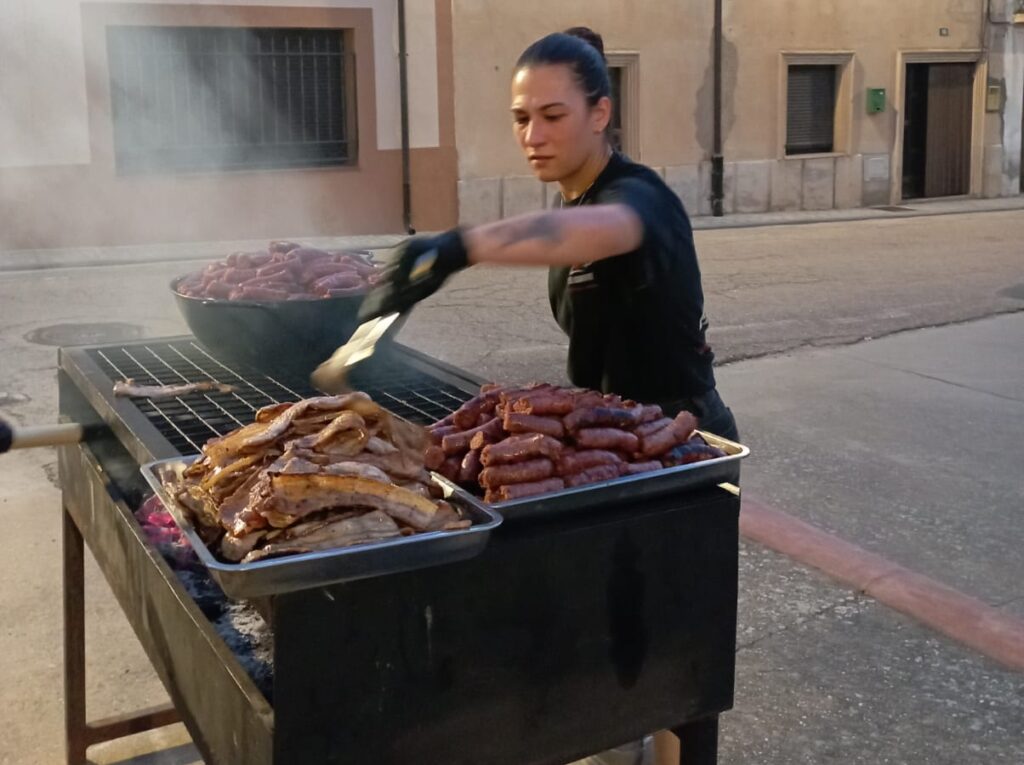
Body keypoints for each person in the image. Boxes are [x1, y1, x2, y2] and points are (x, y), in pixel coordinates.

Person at [359, 27, 738, 443]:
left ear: (600, 114)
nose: (533, 137)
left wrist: (460, 246)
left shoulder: (640, 194)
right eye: (522, 118)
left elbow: (610, 227)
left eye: (553, 116)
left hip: (683, 437)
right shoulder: (572, 200)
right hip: (613, 430)